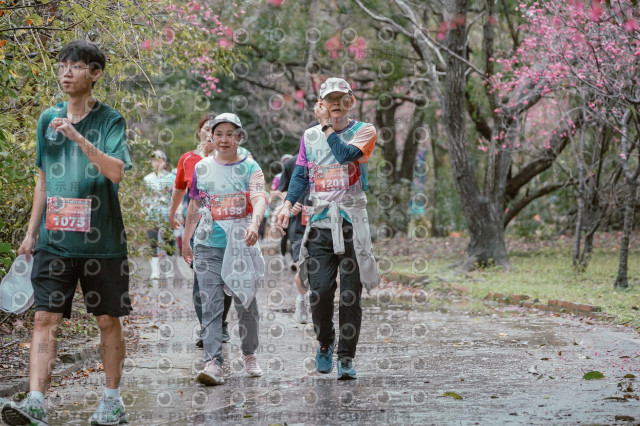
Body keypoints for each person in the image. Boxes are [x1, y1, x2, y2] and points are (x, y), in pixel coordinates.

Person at [2, 40, 131, 425]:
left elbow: (116, 172)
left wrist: (77, 136)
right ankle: (35, 402)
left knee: (107, 320)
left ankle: (112, 400)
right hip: (54, 240)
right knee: (45, 318)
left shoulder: (110, 120)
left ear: (96, 73)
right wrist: (31, 233)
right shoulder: (48, 118)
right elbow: (43, 180)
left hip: (103, 243)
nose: (66, 72)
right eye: (62, 65)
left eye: (76, 66)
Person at [275, 77, 380, 380]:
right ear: (320, 103)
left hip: (352, 223)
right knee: (319, 291)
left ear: (351, 101)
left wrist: (326, 127)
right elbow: (301, 175)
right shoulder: (309, 137)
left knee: (350, 295)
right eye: (329, 99)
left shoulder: (364, 131)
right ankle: (325, 342)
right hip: (320, 223)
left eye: (341, 98)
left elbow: (345, 154)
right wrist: (287, 205)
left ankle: (346, 357)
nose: (336, 103)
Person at [182, 113, 267, 385]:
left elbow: (259, 197)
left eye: (230, 134)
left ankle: (249, 354)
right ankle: (213, 362)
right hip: (208, 246)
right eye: (219, 134)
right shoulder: (202, 167)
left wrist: (254, 223)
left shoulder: (250, 166)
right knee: (210, 305)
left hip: (241, 245)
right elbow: (195, 205)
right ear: (211, 137)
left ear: (239, 137)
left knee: (246, 303)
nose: (224, 139)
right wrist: (186, 239)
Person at [168, 113, 233, 347]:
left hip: (226, 227)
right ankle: (208, 328)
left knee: (225, 278)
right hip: (199, 227)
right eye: (207, 129)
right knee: (201, 278)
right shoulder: (188, 159)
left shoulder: (231, 159)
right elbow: (179, 189)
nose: (210, 134)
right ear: (200, 132)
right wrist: (172, 212)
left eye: (214, 130)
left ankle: (220, 323)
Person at [277, 153, 311, 323]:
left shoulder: (331, 159)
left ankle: (317, 302)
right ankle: (302, 300)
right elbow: (283, 190)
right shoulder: (292, 163)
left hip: (325, 222)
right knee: (302, 267)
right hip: (299, 225)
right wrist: (289, 203)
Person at [143, 150, 176, 280]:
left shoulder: (172, 178)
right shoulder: (147, 179)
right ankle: (155, 271)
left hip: (167, 214)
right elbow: (145, 197)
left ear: (164, 161)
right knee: (153, 242)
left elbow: (176, 197)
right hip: (152, 215)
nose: (156, 162)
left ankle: (169, 270)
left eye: (159, 159)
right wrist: (143, 211)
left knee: (169, 241)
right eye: (153, 160)